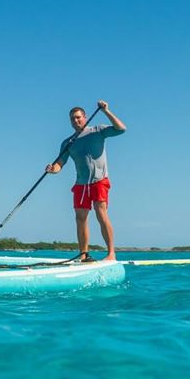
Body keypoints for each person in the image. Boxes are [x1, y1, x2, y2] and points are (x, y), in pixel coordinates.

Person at [45, 101, 126, 261]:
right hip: (81, 184)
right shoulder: (68, 142)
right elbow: (60, 163)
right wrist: (52, 169)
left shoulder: (97, 130)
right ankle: (83, 255)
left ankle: (111, 253)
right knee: (80, 218)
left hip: (99, 180)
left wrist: (106, 111)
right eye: (72, 119)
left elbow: (121, 129)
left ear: (85, 117)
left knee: (101, 213)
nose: (76, 121)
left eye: (78, 117)